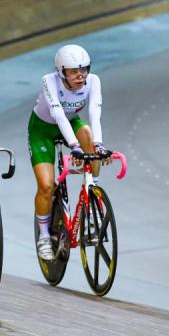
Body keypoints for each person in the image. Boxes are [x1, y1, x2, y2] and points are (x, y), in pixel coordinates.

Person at [27, 44, 112, 261]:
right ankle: (44, 236)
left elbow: (94, 112)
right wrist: (74, 147)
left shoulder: (93, 81)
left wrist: (99, 145)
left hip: (72, 124)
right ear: (61, 72)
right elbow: (57, 114)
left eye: (83, 69)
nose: (80, 75)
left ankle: (92, 192)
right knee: (46, 185)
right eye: (74, 71)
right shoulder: (49, 81)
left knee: (88, 135)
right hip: (42, 130)